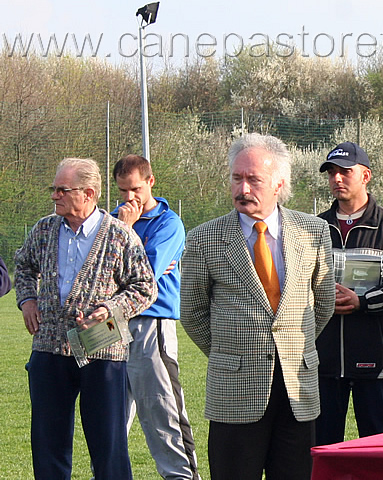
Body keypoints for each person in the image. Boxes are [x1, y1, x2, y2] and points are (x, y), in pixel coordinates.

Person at [180, 133, 335, 480]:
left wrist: (291, 345)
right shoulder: (205, 239)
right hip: (234, 392)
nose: (243, 188)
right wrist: (229, 352)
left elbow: (322, 303)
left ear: (279, 183)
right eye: (237, 178)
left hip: (298, 389)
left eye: (254, 179)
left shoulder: (314, 232)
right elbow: (192, 312)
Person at [14, 157, 157, 479]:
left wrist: (111, 309)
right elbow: (22, 265)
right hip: (49, 349)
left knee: (108, 443)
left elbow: (146, 288)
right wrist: (27, 300)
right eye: (54, 189)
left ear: (89, 193)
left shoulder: (119, 236)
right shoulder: (44, 229)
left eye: (62, 190)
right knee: (47, 441)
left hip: (102, 350)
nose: (54, 196)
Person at [315, 142, 383, 445]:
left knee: (381, 450)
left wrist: (363, 302)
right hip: (323, 361)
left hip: (379, 360)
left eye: (345, 172)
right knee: (320, 449)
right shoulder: (314, 227)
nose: (337, 179)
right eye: (332, 173)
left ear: (366, 175)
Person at [112, 154, 199, 480]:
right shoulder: (113, 219)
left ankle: (181, 476)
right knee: (109, 415)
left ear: (150, 181)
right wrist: (125, 230)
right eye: (122, 191)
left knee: (163, 412)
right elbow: (97, 273)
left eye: (134, 189)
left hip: (151, 322)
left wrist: (127, 231)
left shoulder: (168, 223)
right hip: (112, 326)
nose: (129, 198)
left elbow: (144, 276)